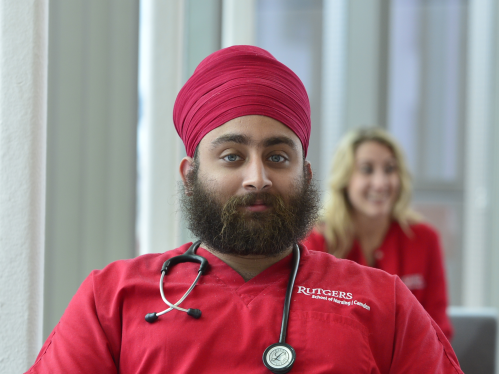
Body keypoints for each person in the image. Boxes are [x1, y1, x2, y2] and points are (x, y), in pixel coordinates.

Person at [26, 46, 462, 373]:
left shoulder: (384, 302)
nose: (258, 177)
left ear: (306, 175)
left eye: (277, 157)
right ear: (190, 176)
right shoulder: (111, 300)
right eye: (232, 156)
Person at [302, 127, 453, 340]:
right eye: (367, 169)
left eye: (390, 169)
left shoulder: (424, 239)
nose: (381, 183)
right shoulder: (315, 241)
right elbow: (310, 328)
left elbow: (438, 329)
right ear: (345, 179)